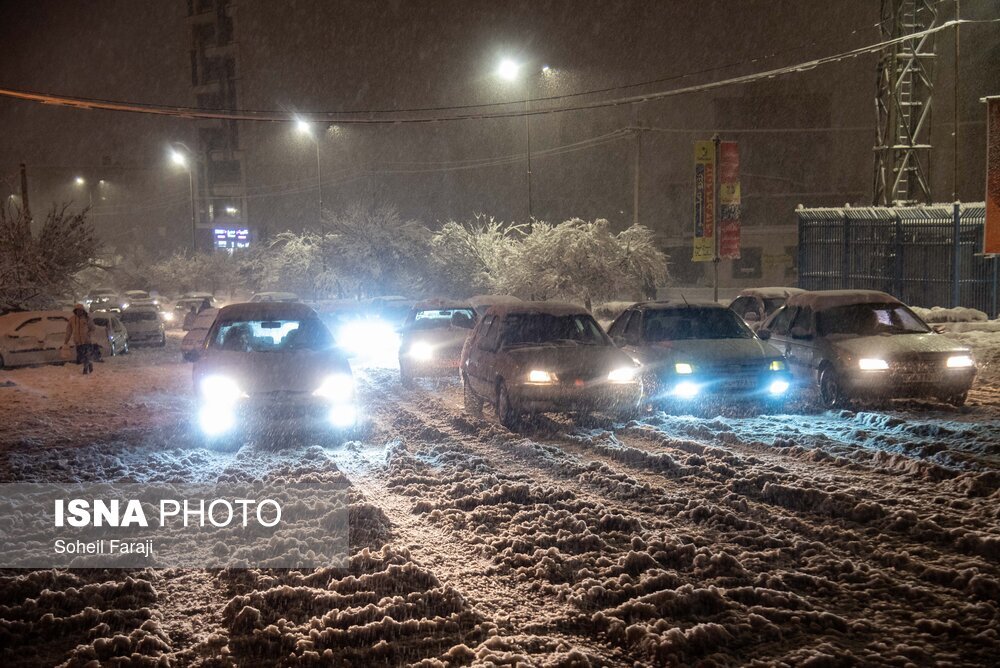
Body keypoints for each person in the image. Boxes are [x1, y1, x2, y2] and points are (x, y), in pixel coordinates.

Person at [64, 304, 96, 374]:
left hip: (86, 341)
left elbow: (93, 328)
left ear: (83, 311)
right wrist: (66, 341)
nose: (79, 312)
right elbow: (69, 331)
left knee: (87, 355)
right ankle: (89, 364)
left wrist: (89, 334)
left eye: (80, 311)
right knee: (81, 357)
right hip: (78, 342)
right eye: (77, 311)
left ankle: (85, 369)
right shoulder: (72, 319)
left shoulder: (87, 319)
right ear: (75, 311)